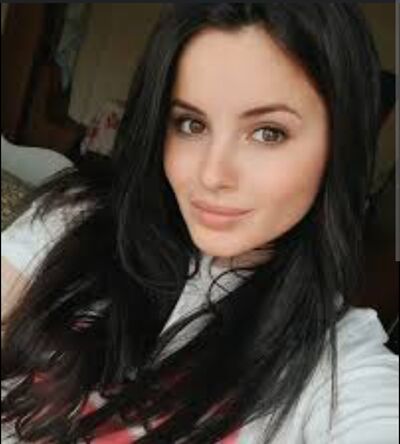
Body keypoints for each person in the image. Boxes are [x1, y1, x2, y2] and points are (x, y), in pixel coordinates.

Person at [1, 3, 398, 443]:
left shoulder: (335, 362)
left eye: (268, 132)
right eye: (191, 124)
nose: (211, 174)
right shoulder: (74, 222)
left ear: (339, 145)